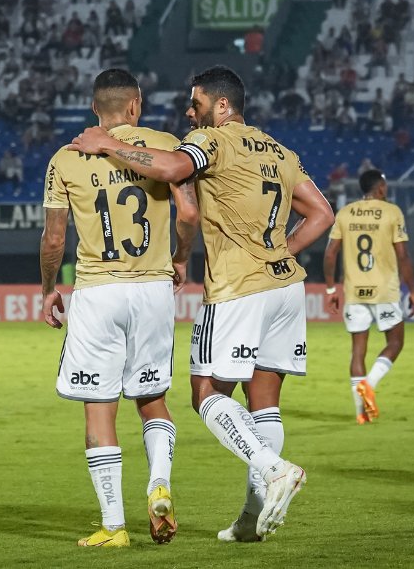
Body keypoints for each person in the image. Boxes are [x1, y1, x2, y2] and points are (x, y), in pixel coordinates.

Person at [70, 65, 334, 542]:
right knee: (264, 402)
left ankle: (274, 470)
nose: (189, 113)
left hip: (237, 288)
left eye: (196, 104)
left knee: (205, 391)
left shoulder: (214, 141)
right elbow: (322, 214)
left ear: (222, 105)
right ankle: (253, 520)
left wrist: (107, 144)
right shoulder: (279, 150)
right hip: (286, 288)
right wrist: (277, 254)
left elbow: (172, 168)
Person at [41, 69, 200, 548]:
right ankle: (159, 485)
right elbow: (189, 213)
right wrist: (180, 258)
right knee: (152, 400)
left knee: (99, 409)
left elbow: (53, 239)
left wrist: (49, 287)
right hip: (152, 289)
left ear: (95, 109)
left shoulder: (66, 157)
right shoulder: (164, 146)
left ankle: (114, 525)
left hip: (97, 292)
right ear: (136, 106)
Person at [322, 169, 414, 424]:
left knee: (357, 352)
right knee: (395, 342)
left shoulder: (345, 213)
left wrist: (331, 289)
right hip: (384, 291)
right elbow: (403, 255)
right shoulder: (391, 212)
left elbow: (330, 254)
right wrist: (413, 291)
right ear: (381, 188)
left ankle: (360, 413)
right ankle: (370, 384)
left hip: (354, 292)